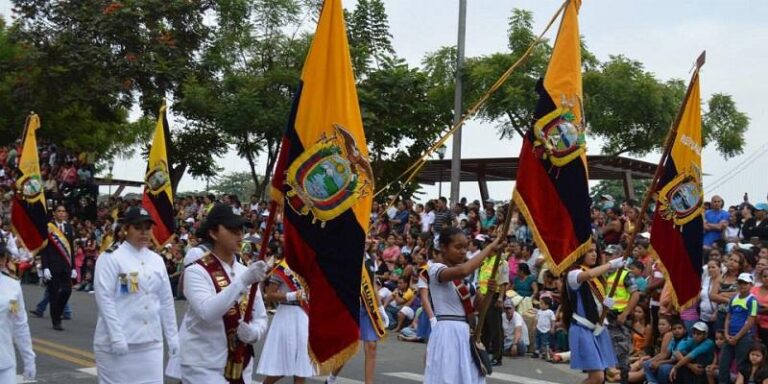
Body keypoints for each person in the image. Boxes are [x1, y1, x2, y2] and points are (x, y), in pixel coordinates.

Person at [179, 203, 269, 383]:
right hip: (204, 365)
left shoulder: (245, 271)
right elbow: (207, 312)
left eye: (241, 229)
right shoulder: (197, 271)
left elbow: (261, 316)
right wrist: (242, 282)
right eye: (231, 229)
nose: (239, 235)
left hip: (241, 363)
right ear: (213, 233)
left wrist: (254, 332)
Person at [93, 207, 180, 383]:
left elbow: (165, 301)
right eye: (138, 227)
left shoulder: (156, 260)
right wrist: (116, 336)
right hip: (118, 342)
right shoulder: (111, 257)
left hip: (150, 342)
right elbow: (105, 299)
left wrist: (173, 338)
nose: (144, 232)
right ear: (126, 229)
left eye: (148, 228)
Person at [424, 227, 502, 384]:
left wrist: (490, 294)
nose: (463, 251)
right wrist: (489, 248)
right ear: (444, 248)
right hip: (447, 333)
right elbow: (463, 270)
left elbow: (480, 308)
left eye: (466, 247)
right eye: (458, 247)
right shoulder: (435, 269)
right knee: (447, 377)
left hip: (467, 334)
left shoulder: (469, 277)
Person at [561, 243, 621, 384]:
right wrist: (611, 264)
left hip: (598, 329)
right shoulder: (573, 273)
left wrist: (605, 305)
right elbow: (587, 275)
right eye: (590, 251)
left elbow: (595, 301)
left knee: (602, 377)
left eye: (595, 251)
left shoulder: (597, 278)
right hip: (582, 328)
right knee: (597, 377)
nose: (594, 254)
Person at [256, 256, 315, 383]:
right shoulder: (283, 267)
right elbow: (269, 295)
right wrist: (292, 295)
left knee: (301, 365)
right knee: (282, 363)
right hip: (287, 316)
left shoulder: (309, 266)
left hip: (304, 316)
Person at [0, 243, 35, 382]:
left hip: (4, 361)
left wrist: (29, 358)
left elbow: (20, 325)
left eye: (2, 257)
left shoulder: (12, 286)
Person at [40, 204, 76, 330]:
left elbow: (71, 248)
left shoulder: (68, 227)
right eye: (59, 211)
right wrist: (45, 267)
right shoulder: (48, 227)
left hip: (66, 265)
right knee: (53, 294)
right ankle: (56, 321)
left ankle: (58, 311)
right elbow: (44, 248)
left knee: (67, 291)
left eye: (63, 211)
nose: (62, 213)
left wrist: (73, 267)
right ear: (54, 213)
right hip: (52, 266)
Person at [719, 272, 758, 384]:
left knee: (742, 366)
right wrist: (726, 334)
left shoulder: (753, 300)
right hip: (730, 336)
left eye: (745, 283)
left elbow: (751, 321)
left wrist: (737, 337)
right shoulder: (733, 298)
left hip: (744, 337)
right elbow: (728, 317)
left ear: (751, 285)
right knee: (723, 365)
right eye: (740, 283)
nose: (742, 285)